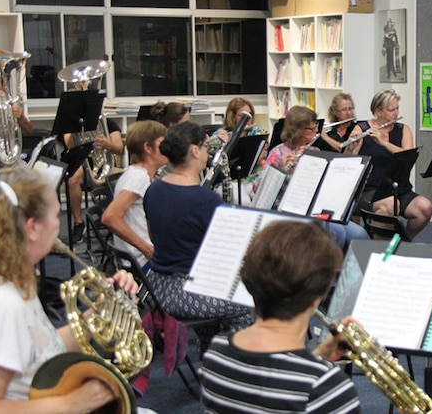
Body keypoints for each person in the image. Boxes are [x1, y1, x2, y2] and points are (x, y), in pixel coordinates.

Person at [0, 167, 137, 411]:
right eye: (56, 216)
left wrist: (98, 316)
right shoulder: (0, 304)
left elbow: (39, 349)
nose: (58, 226)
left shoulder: (3, 279)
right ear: (32, 227)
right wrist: (74, 403)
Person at [200, 220, 361, 413]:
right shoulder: (325, 387)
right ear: (314, 299)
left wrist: (319, 357)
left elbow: (272, 386)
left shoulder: (217, 351)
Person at [142, 121, 252, 332]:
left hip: (156, 284)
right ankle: (226, 357)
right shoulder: (206, 200)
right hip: (186, 290)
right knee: (246, 303)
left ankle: (209, 344)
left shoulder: (154, 189)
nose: (206, 152)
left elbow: (153, 236)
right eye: (204, 146)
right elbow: (226, 254)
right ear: (194, 151)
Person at [257, 106, 368, 251]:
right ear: (298, 130)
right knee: (337, 233)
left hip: (316, 209)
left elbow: (327, 184)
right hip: (290, 211)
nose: (317, 130)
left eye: (316, 125)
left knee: (360, 234)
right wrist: (283, 171)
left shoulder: (315, 151)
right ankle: (330, 271)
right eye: (312, 127)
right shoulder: (278, 153)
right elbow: (259, 187)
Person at [346, 90, 432, 239]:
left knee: (425, 208)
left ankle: (403, 241)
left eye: (397, 108)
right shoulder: (361, 128)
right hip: (369, 190)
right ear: (378, 111)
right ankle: (379, 247)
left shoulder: (403, 129)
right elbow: (349, 162)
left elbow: (408, 156)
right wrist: (351, 147)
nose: (396, 113)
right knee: (390, 205)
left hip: (398, 188)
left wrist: (383, 143)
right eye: (391, 109)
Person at [102, 120, 168, 270]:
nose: (168, 149)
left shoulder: (138, 174)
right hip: (141, 262)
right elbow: (110, 217)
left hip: (137, 259)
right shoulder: (138, 177)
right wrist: (146, 248)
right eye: (163, 144)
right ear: (148, 148)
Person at [63, 115, 124, 244]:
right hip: (83, 166)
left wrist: (108, 145)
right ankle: (79, 222)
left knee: (125, 178)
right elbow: (69, 144)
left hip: (106, 166)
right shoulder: (71, 124)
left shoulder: (108, 123)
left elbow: (119, 148)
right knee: (72, 177)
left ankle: (120, 221)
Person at [211, 97, 266, 205]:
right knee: (244, 202)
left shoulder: (256, 132)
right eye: (243, 115)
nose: (248, 119)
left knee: (265, 201)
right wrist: (226, 144)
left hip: (252, 178)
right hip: (228, 181)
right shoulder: (221, 134)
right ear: (233, 117)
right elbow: (214, 163)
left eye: (250, 115)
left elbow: (258, 161)